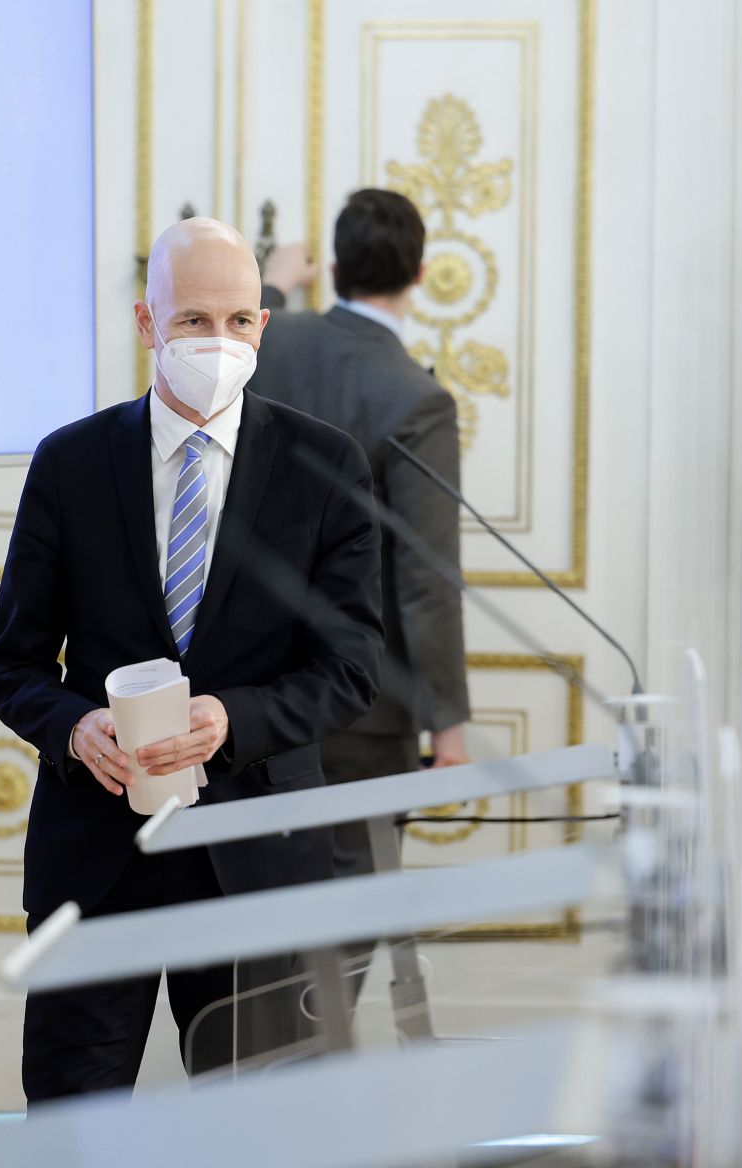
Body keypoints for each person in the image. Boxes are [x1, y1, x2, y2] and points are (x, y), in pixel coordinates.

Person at [0, 217, 386, 1100]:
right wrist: (76, 725)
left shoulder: (327, 466)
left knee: (256, 1132)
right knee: (71, 1125)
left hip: (258, 857)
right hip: (95, 854)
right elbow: (9, 666)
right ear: (146, 323)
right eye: (194, 320)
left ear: (263, 327)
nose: (218, 342)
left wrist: (230, 718)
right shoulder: (69, 463)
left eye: (239, 321)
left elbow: (352, 665)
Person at [251, 189, 472, 882]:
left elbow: (245, 326)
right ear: (421, 273)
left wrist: (273, 283)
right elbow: (425, 573)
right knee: (348, 899)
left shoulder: (267, 341)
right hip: (364, 705)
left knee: (255, 896)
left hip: (246, 688)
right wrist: (449, 720)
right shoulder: (416, 398)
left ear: (338, 265)